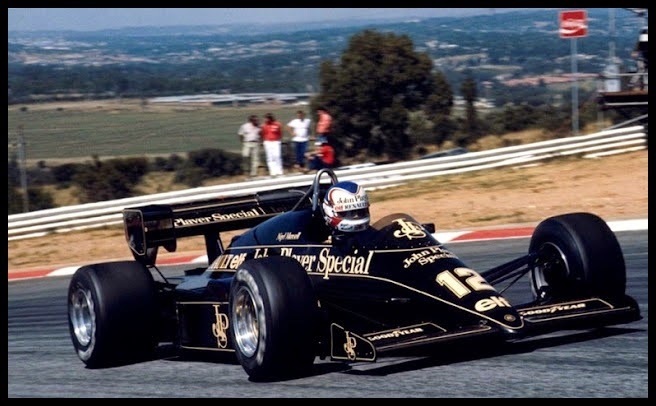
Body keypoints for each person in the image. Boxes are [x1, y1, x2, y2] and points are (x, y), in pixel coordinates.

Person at [260, 112, 284, 177]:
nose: (265, 120)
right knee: (270, 157)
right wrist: (263, 141)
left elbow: (280, 133)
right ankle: (272, 172)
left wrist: (279, 140)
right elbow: (262, 134)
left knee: (277, 156)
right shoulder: (263, 126)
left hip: (276, 142)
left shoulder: (277, 124)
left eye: (266, 118)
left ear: (270, 118)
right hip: (267, 142)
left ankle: (279, 171)